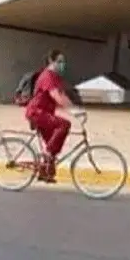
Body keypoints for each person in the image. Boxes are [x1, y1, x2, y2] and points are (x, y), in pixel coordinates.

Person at [24, 49, 84, 183]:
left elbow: (63, 96)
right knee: (64, 125)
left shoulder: (55, 77)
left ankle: (44, 173)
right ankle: (47, 156)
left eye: (64, 62)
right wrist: (73, 112)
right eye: (60, 61)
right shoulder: (47, 76)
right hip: (37, 112)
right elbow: (56, 96)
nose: (63, 64)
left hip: (45, 113)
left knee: (54, 144)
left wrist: (77, 110)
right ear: (51, 61)